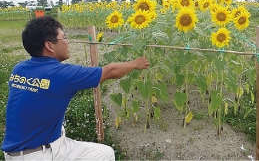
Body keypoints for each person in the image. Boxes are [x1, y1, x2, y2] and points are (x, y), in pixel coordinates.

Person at [1, 16, 150, 160]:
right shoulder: (61, 75)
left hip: (22, 150)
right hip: (39, 154)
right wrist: (135, 64)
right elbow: (109, 72)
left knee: (104, 153)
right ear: (49, 46)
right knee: (104, 155)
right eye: (64, 38)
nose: (68, 42)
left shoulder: (19, 69)